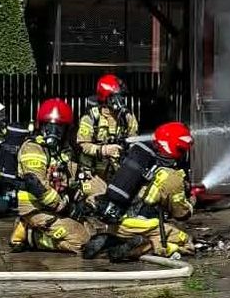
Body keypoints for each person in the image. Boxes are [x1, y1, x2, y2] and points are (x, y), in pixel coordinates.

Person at [84, 122, 200, 261]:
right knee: (185, 241)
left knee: (138, 229)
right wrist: (192, 198)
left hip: (116, 220)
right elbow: (181, 214)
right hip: (141, 225)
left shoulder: (142, 159)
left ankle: (112, 240)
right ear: (176, 149)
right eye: (182, 150)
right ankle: (143, 246)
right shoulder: (172, 177)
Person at [11, 99, 103, 253]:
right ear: (41, 125)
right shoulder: (33, 148)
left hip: (58, 206)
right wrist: (66, 208)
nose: (53, 132)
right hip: (36, 208)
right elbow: (36, 185)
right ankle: (30, 234)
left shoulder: (64, 151)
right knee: (82, 242)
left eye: (58, 128)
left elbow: (74, 176)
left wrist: (83, 200)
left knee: (94, 233)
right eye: (49, 126)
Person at [77, 74, 139, 179]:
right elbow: (83, 145)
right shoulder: (91, 118)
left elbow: (134, 142)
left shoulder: (127, 117)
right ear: (107, 97)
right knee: (95, 194)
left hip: (118, 172)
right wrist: (104, 150)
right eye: (118, 97)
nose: (122, 100)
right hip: (92, 174)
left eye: (122, 96)